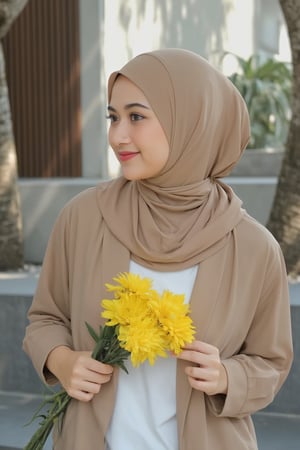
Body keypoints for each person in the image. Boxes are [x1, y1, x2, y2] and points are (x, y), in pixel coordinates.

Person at [23, 48, 293, 450]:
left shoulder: (253, 247)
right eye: (113, 117)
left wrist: (227, 377)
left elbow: (272, 361)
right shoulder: (81, 218)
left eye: (137, 116)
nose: (118, 135)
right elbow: (45, 318)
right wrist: (62, 361)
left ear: (191, 122)